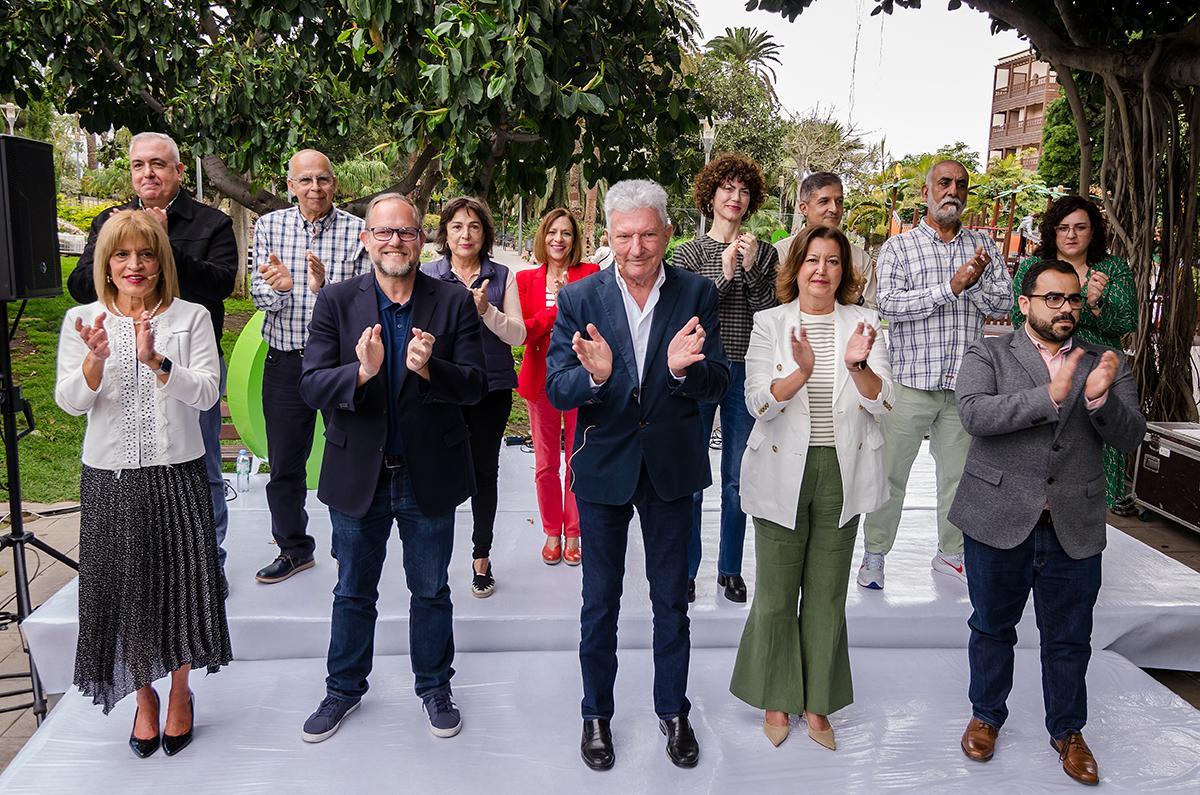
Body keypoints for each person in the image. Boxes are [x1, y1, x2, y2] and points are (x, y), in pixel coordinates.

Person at [546, 179, 730, 772]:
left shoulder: (698, 292)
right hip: (605, 468)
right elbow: (555, 386)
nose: (636, 246)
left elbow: (719, 380)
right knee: (599, 602)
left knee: (670, 600)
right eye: (624, 235)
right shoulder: (579, 299)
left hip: (671, 468)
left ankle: (672, 711)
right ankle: (595, 714)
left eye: (648, 233)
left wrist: (683, 373)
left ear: (668, 233)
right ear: (607, 237)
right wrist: (595, 378)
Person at [296, 193, 487, 743]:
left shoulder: (451, 302)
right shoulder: (334, 301)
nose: (395, 241)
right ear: (366, 240)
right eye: (383, 232)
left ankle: (433, 686)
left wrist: (431, 371)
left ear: (421, 239)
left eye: (405, 232)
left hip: (428, 473)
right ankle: (343, 689)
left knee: (429, 590)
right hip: (360, 474)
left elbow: (475, 384)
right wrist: (359, 373)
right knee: (353, 589)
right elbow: (310, 385)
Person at [952, 260, 1145, 786]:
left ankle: (1068, 731)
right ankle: (986, 715)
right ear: (1026, 303)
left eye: (1073, 300)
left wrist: (1100, 398)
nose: (1066, 308)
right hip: (997, 519)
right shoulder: (987, 350)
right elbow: (973, 415)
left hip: (1073, 523)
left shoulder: (1107, 361)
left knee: (1069, 636)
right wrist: (1049, 396)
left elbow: (1131, 437)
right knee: (992, 626)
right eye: (1054, 298)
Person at [55, 211, 231, 758]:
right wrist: (93, 364)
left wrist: (158, 360)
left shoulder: (192, 316)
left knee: (179, 588)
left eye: (147, 254)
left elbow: (205, 395)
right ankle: (144, 698)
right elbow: (70, 403)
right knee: (127, 592)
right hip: (111, 480)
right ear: (106, 263)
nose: (135, 266)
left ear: (162, 261)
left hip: (177, 474)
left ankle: (180, 693)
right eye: (123, 255)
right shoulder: (83, 320)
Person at [731, 225, 893, 751]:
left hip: (841, 472)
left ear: (844, 272)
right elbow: (758, 401)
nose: (821, 270)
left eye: (832, 261)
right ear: (795, 267)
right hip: (781, 470)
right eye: (812, 260)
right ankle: (776, 694)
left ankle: (817, 700)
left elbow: (882, 403)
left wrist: (858, 365)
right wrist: (800, 373)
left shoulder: (865, 324)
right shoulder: (768, 324)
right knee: (776, 592)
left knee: (826, 592)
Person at [66, 132, 237, 589]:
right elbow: (81, 286)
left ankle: (207, 564)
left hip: (187, 359)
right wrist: (122, 244)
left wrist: (164, 244)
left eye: (159, 164)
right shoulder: (108, 221)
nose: (148, 173)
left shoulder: (210, 223)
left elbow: (221, 284)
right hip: (119, 359)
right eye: (139, 165)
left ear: (179, 171)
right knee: (132, 468)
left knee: (201, 466)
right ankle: (143, 567)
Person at [858, 160, 1013, 590]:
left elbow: (1005, 300)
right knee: (890, 473)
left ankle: (951, 553)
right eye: (944, 183)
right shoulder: (899, 248)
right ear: (925, 191)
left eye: (961, 185)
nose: (953, 191)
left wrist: (975, 281)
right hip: (910, 380)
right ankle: (874, 555)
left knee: (959, 475)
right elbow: (888, 305)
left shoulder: (982, 245)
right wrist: (952, 287)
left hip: (964, 384)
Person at [249, 149, 370, 585]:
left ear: (335, 184)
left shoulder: (358, 232)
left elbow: (363, 303)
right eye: (305, 180)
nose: (314, 188)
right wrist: (280, 290)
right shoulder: (268, 227)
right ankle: (294, 549)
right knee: (284, 464)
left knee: (347, 458)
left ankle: (349, 548)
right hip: (284, 363)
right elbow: (256, 294)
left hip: (339, 366)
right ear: (290, 186)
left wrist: (324, 290)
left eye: (322, 179)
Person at [671, 152, 778, 604]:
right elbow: (688, 312)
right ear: (710, 196)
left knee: (737, 475)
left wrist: (751, 269)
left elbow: (768, 311)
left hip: (747, 370)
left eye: (743, 191)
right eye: (727, 189)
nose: (735, 198)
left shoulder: (766, 251)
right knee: (693, 476)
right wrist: (726, 272)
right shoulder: (689, 253)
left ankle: (729, 567)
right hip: (701, 368)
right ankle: (687, 569)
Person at [422, 196, 526, 597]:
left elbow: (517, 335)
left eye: (474, 227)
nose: (465, 234)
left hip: (490, 388)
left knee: (484, 473)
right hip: (441, 387)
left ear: (485, 234)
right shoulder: (428, 274)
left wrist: (487, 311)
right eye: (457, 226)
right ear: (445, 233)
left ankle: (481, 557)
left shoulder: (501, 276)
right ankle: (433, 556)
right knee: (441, 471)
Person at [1012, 196, 1137, 511]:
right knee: (1038, 447)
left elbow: (1126, 322)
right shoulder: (1032, 267)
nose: (1071, 235)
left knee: (1096, 448)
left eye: (1080, 227)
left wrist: (1096, 304)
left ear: (1093, 232)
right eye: (1063, 228)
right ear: (1052, 232)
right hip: (1043, 371)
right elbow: (1018, 319)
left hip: (1097, 374)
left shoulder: (1111, 269)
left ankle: (1092, 523)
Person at [517, 208, 600, 565]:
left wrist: (570, 299)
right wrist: (560, 306)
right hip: (541, 381)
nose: (558, 240)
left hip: (579, 379)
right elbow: (525, 330)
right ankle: (552, 529)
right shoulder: (525, 279)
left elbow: (597, 324)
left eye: (566, 233)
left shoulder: (591, 274)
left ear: (575, 239)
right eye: (553, 232)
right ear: (543, 236)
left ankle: (574, 532)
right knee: (546, 463)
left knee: (577, 458)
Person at [774, 172, 877, 308]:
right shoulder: (780, 252)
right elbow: (770, 306)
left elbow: (871, 312)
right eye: (824, 201)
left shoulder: (860, 258)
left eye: (839, 201)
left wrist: (857, 299)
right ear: (804, 208)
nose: (834, 209)